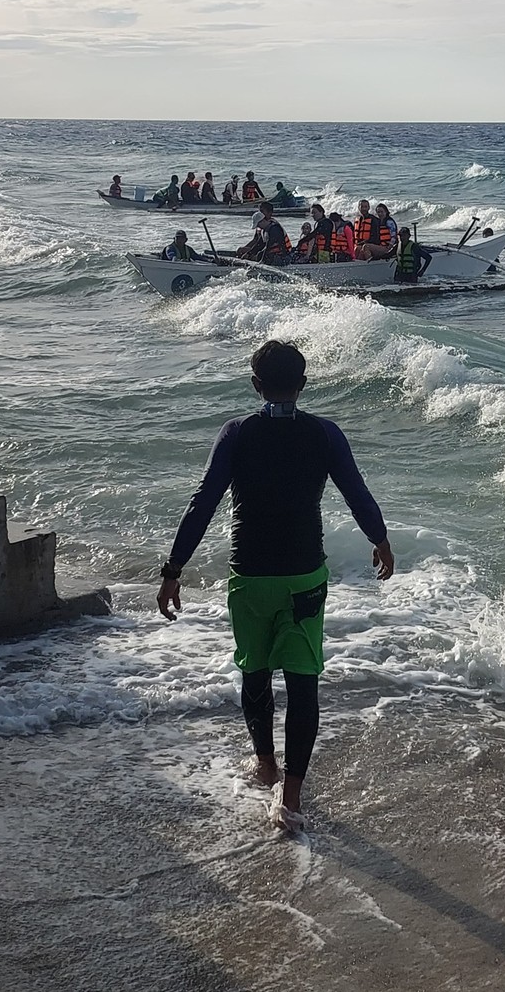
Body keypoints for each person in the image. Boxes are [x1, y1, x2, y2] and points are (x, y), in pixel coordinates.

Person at [157, 340, 395, 830]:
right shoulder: (325, 435)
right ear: (303, 384)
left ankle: (265, 763)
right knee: (303, 681)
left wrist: (173, 569)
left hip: (251, 578)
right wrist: (381, 539)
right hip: (305, 575)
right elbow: (357, 492)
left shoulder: (237, 433)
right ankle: (291, 795)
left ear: (255, 384)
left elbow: (203, 502)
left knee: (256, 672)